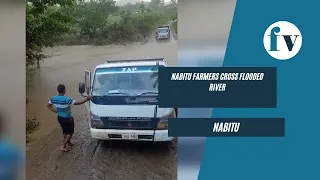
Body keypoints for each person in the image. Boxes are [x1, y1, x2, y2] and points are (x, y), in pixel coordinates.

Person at [47, 84, 92, 152]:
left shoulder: (53, 98)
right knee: (70, 132)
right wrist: (86, 100)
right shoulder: (66, 99)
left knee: (65, 131)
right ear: (64, 90)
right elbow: (76, 103)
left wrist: (55, 111)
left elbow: (48, 105)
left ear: (58, 91)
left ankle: (68, 142)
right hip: (67, 118)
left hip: (60, 118)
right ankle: (63, 146)